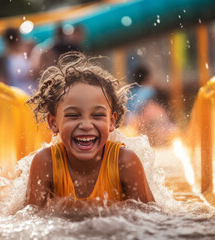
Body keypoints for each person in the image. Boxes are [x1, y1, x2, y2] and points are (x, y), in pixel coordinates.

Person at [25, 52, 155, 207]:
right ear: (53, 123)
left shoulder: (125, 162)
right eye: (73, 115)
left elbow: (149, 218)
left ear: (111, 122)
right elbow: (30, 218)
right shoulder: (46, 163)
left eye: (98, 115)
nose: (86, 125)